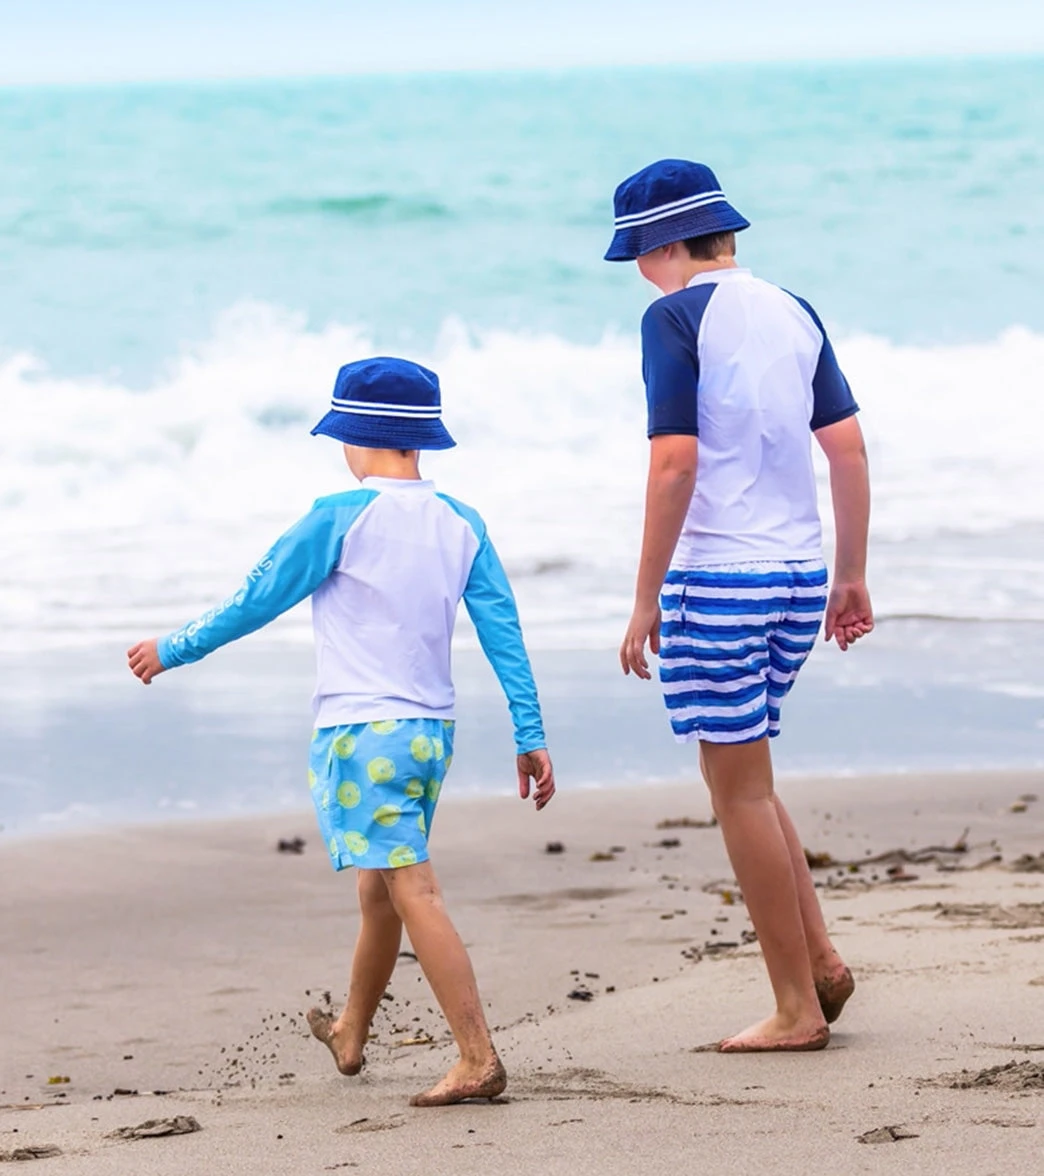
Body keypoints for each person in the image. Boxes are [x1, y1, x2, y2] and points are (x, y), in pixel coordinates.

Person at [127, 356, 555, 1104]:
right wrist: (529, 731)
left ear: (357, 434)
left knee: (412, 886)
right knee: (380, 888)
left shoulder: (338, 515)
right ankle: (351, 1032)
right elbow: (503, 634)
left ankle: (477, 1054)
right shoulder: (462, 522)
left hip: (364, 734)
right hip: (429, 737)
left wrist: (173, 648)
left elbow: (255, 599)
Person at [605, 159, 873, 1052]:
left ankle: (797, 1008)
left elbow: (674, 463)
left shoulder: (673, 316)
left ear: (670, 245)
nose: (640, 272)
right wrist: (851, 576)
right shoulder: (795, 308)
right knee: (750, 783)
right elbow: (847, 451)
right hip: (798, 574)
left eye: (639, 254)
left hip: (720, 577)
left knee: (737, 796)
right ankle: (824, 962)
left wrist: (645, 598)